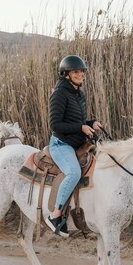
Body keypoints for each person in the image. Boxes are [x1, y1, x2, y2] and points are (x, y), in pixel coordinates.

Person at [44, 55, 103, 238]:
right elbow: (55, 124)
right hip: (61, 144)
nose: (80, 74)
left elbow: (76, 120)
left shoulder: (78, 94)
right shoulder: (60, 93)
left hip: (77, 143)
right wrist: (80, 127)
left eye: (81, 71)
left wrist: (91, 123)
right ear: (66, 74)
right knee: (74, 172)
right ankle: (55, 215)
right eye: (75, 71)